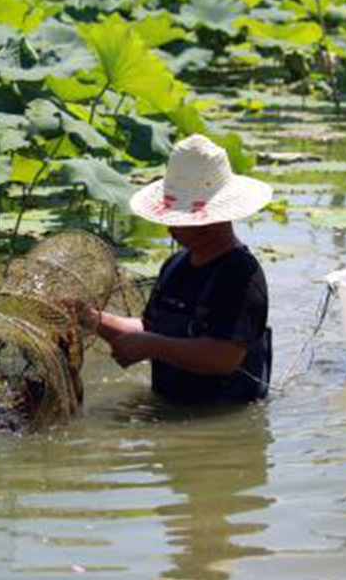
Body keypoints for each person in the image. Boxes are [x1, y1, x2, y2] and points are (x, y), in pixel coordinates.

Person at [86, 134, 274, 403]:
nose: (169, 226)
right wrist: (90, 318)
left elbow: (224, 357)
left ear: (211, 219)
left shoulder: (241, 274)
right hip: (168, 408)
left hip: (220, 420)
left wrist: (151, 346)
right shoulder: (175, 265)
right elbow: (149, 329)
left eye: (179, 216)